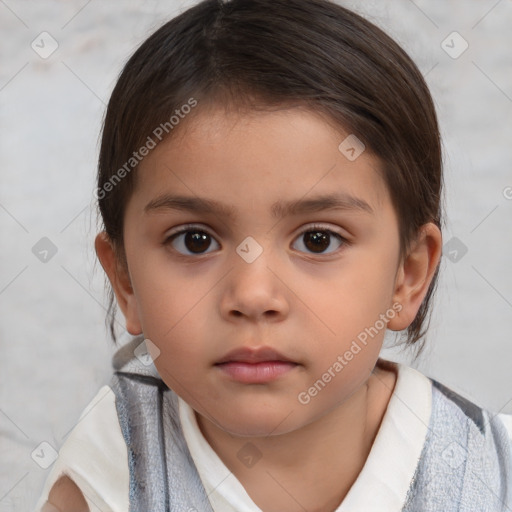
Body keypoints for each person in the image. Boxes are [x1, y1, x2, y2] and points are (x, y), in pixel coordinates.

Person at [36, 0, 512, 510]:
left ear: (407, 276)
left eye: (318, 240)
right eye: (195, 240)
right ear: (125, 279)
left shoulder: (489, 473)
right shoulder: (109, 473)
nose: (254, 296)